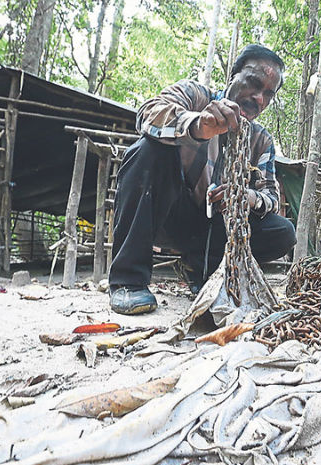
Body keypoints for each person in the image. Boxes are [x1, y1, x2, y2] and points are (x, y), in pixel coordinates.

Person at [108, 44, 296, 315]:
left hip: (215, 228)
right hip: (169, 214)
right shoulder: (195, 95)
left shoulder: (260, 139)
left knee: (282, 231)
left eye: (269, 94)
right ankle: (128, 281)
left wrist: (246, 196)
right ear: (233, 76)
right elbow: (148, 114)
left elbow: (271, 197)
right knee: (147, 150)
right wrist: (197, 126)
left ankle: (202, 271)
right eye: (253, 83)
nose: (259, 98)